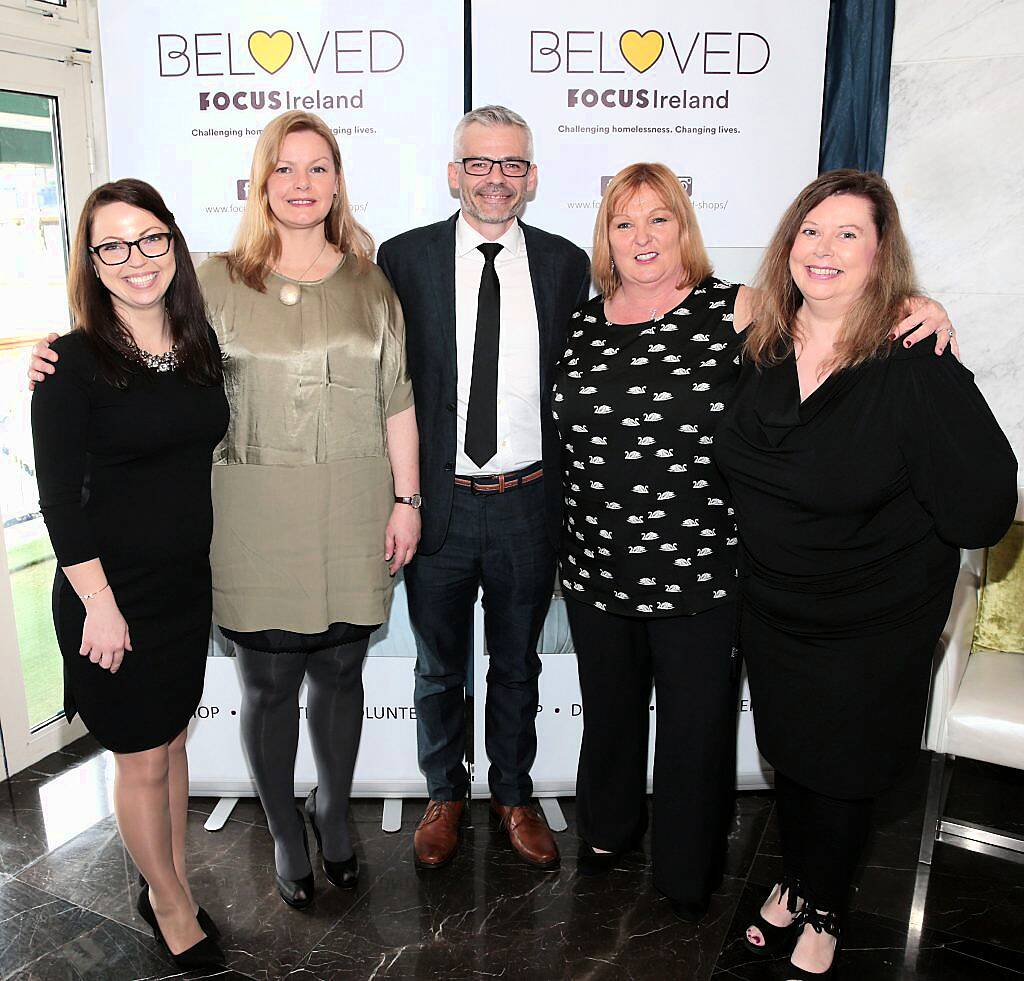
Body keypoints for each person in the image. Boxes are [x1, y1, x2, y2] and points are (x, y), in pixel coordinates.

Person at [30, 111, 420, 911]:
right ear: (260, 181)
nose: (301, 184)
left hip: (351, 510)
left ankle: (333, 815)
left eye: (318, 168)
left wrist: (408, 500)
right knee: (270, 685)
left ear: (338, 180)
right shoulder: (209, 281)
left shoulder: (372, 281)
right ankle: (283, 828)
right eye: (285, 168)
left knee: (343, 674)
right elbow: (131, 343)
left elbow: (399, 402)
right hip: (248, 517)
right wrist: (53, 351)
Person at [553, 163, 959, 922]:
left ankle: (686, 868)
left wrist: (917, 305)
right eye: (624, 222)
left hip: (704, 569)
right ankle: (606, 835)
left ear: (685, 227)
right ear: (605, 236)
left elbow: (840, 303)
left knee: (694, 732)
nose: (642, 237)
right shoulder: (580, 322)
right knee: (607, 716)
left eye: (659, 219)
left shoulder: (740, 308)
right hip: (595, 566)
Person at [714, 169, 1016, 978]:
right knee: (793, 754)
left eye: (849, 233)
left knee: (842, 772)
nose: (825, 248)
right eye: (812, 230)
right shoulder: (761, 338)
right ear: (789, 245)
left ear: (882, 256)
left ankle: (827, 906)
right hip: (774, 606)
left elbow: (984, 506)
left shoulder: (913, 357)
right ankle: (796, 873)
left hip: (872, 621)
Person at [376, 105, 590, 870]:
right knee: (438, 666)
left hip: (530, 501)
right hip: (438, 502)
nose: (495, 179)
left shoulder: (568, 264)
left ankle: (513, 792)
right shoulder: (403, 260)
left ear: (531, 178)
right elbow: (385, 383)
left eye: (511, 165)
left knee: (518, 664)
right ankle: (444, 792)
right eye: (480, 163)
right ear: (453, 173)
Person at [31, 179, 228, 970]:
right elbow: (59, 502)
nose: (134, 259)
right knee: (141, 757)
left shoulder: (197, 344)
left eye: (149, 239)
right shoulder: (70, 363)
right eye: (111, 245)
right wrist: (99, 609)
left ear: (173, 244)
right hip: (107, 594)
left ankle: (166, 875)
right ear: (92, 260)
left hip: (183, 586)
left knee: (173, 743)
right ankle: (170, 903)